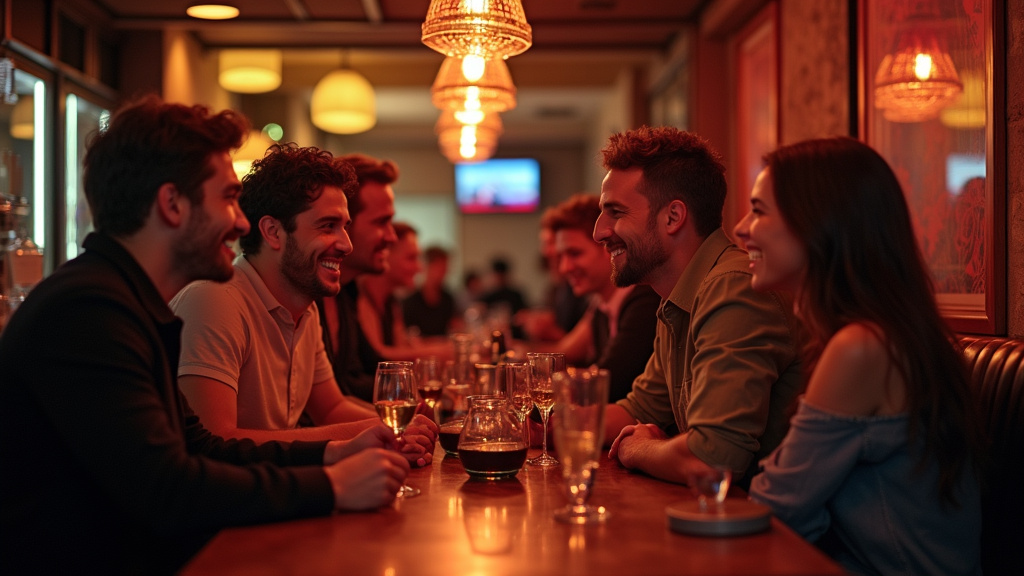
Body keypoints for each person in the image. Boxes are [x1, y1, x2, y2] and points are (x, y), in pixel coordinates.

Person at [0, 96, 410, 574]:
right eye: (228, 198)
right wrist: (334, 486)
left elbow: (204, 448)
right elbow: (167, 489)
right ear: (172, 204)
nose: (240, 223)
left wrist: (336, 451)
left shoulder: (128, 301)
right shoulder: (89, 310)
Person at [736, 137, 983, 575]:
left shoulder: (863, 346)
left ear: (818, 223)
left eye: (758, 211)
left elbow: (776, 507)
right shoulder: (870, 335)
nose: (740, 229)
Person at [169, 144, 435, 463]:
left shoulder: (305, 307)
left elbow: (331, 407)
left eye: (346, 227)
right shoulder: (214, 300)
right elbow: (215, 441)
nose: (346, 245)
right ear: (273, 232)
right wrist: (377, 432)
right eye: (327, 226)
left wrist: (397, 430)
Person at [597, 125, 802, 488]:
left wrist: (637, 449)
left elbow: (713, 461)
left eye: (615, 212)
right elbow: (639, 409)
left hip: (776, 533)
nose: (600, 231)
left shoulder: (732, 287)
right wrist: (545, 423)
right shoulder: (677, 295)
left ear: (673, 217)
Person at [538, 193, 659, 401]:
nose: (565, 267)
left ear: (606, 246)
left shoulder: (644, 301)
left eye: (574, 254)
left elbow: (606, 386)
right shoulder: (601, 305)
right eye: (561, 257)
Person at [318, 153, 399, 403]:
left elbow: (363, 372)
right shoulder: (305, 293)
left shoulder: (347, 290)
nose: (392, 237)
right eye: (381, 222)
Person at [357, 222, 451, 362]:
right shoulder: (360, 296)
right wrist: (436, 351)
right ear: (385, 254)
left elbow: (400, 348)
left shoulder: (390, 300)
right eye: (411, 258)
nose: (419, 268)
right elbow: (378, 354)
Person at [403, 245, 460, 337]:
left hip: (444, 349)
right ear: (426, 267)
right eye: (440, 268)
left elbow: (455, 329)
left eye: (445, 268)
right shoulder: (410, 303)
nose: (444, 273)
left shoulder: (448, 299)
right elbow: (409, 339)